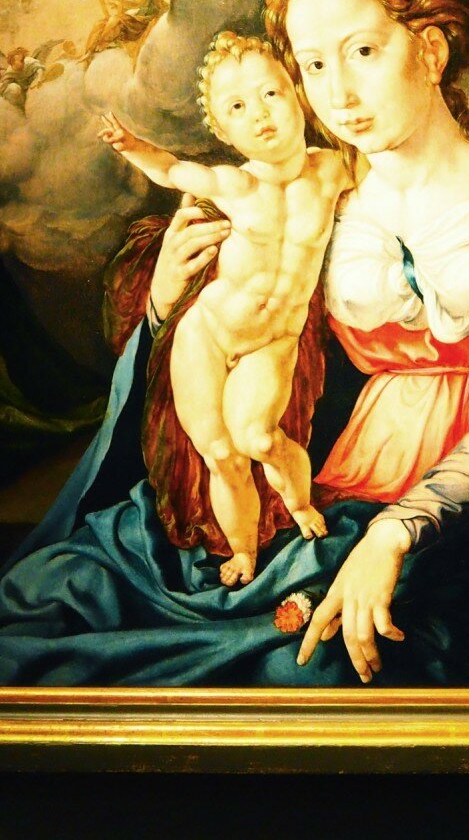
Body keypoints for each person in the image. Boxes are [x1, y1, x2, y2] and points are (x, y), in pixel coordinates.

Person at [0, 0, 469, 689]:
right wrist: (169, 308)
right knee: (62, 593)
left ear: (431, 49)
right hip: (347, 488)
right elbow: (250, 348)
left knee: (338, 663)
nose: (337, 93)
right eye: (312, 64)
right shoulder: (319, 206)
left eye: (362, 52)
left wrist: (401, 529)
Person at [96, 32, 347, 586]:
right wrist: (131, 145)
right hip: (206, 335)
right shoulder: (233, 183)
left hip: (272, 341)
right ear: (223, 132)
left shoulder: (334, 170)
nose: (259, 114)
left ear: (298, 93)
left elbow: (404, 165)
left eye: (270, 94)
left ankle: (299, 504)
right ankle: (243, 553)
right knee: (220, 452)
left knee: (259, 438)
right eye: (237, 107)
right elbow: (170, 170)